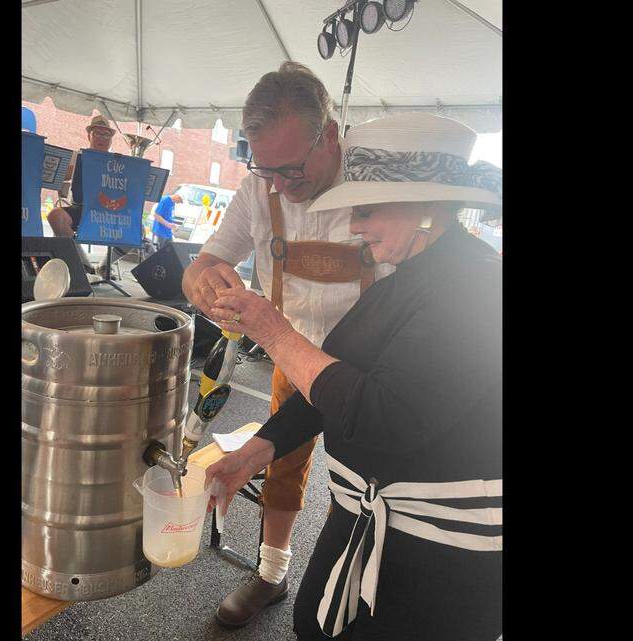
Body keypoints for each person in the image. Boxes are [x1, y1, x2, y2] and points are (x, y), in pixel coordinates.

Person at [203, 113, 503, 640]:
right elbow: (327, 391)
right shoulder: (403, 279)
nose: (353, 225)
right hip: (364, 515)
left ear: (427, 204)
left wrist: (274, 333)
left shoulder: (477, 285)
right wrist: (251, 456)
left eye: (364, 209)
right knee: (311, 624)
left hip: (441, 548)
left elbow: (385, 415)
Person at [181, 61, 392, 629]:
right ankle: (272, 573)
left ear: (330, 135)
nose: (276, 185)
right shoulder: (260, 185)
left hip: (368, 371)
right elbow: (204, 262)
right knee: (280, 467)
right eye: (264, 168)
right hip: (290, 359)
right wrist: (203, 284)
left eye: (291, 170)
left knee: (364, 486)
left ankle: (367, 589)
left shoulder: (379, 187)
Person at [48, 114, 118, 274]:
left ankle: (105, 265)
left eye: (106, 134)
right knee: (55, 216)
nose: (101, 137)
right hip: (81, 210)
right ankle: (84, 264)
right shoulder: (77, 156)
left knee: (137, 229)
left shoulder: (118, 162)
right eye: (97, 133)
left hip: (110, 213)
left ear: (111, 139)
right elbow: (61, 177)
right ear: (89, 136)